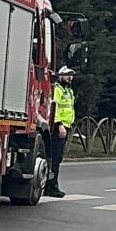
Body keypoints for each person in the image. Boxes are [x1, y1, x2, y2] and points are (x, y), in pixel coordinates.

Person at [47, 65, 77, 198]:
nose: (70, 78)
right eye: (67, 75)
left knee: (57, 158)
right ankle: (51, 186)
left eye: (71, 75)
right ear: (60, 75)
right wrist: (59, 124)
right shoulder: (57, 89)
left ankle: (52, 184)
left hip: (66, 125)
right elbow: (54, 108)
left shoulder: (68, 90)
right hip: (58, 127)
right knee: (55, 157)